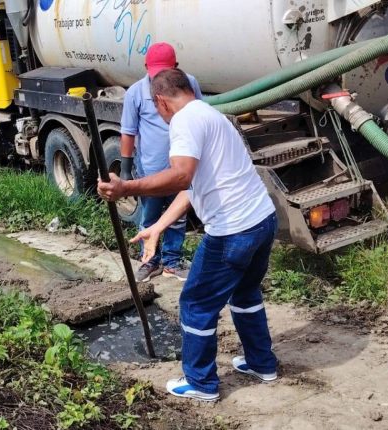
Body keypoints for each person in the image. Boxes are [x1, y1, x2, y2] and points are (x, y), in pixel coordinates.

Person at [99, 68, 278, 402]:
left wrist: (126, 187)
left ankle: (201, 383)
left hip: (232, 231)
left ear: (160, 101)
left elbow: (180, 176)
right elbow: (193, 186)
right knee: (245, 293)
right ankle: (262, 364)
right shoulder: (211, 115)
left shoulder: (183, 121)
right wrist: (158, 226)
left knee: (195, 303)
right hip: (262, 221)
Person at [120, 42, 203, 283]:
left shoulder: (189, 84)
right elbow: (128, 131)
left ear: (176, 67)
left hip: (180, 168)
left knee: (177, 218)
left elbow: (198, 115)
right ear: (146, 67)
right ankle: (150, 261)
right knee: (150, 217)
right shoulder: (135, 92)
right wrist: (125, 169)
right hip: (151, 170)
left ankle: (172, 262)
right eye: (155, 73)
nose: (159, 78)